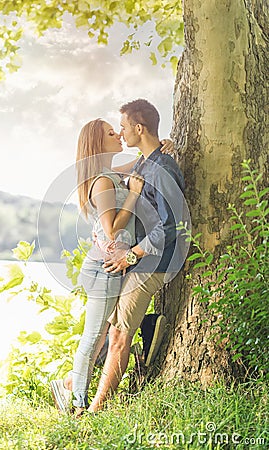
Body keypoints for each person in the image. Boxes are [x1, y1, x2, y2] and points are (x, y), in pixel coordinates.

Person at [50, 118, 173, 416]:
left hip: (110, 267)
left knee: (103, 334)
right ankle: (77, 405)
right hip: (103, 270)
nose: (117, 134)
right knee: (93, 337)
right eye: (110, 133)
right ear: (97, 143)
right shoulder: (103, 182)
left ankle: (67, 384)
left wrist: (159, 148)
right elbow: (113, 230)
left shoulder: (107, 173)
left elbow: (137, 164)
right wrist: (133, 194)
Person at [86, 99, 186, 413]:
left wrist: (131, 255)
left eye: (125, 127)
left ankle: (96, 410)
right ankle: (151, 329)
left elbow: (172, 225)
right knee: (110, 324)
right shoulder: (146, 163)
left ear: (139, 128)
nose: (122, 133)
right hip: (141, 258)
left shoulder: (161, 168)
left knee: (118, 333)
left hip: (153, 262)